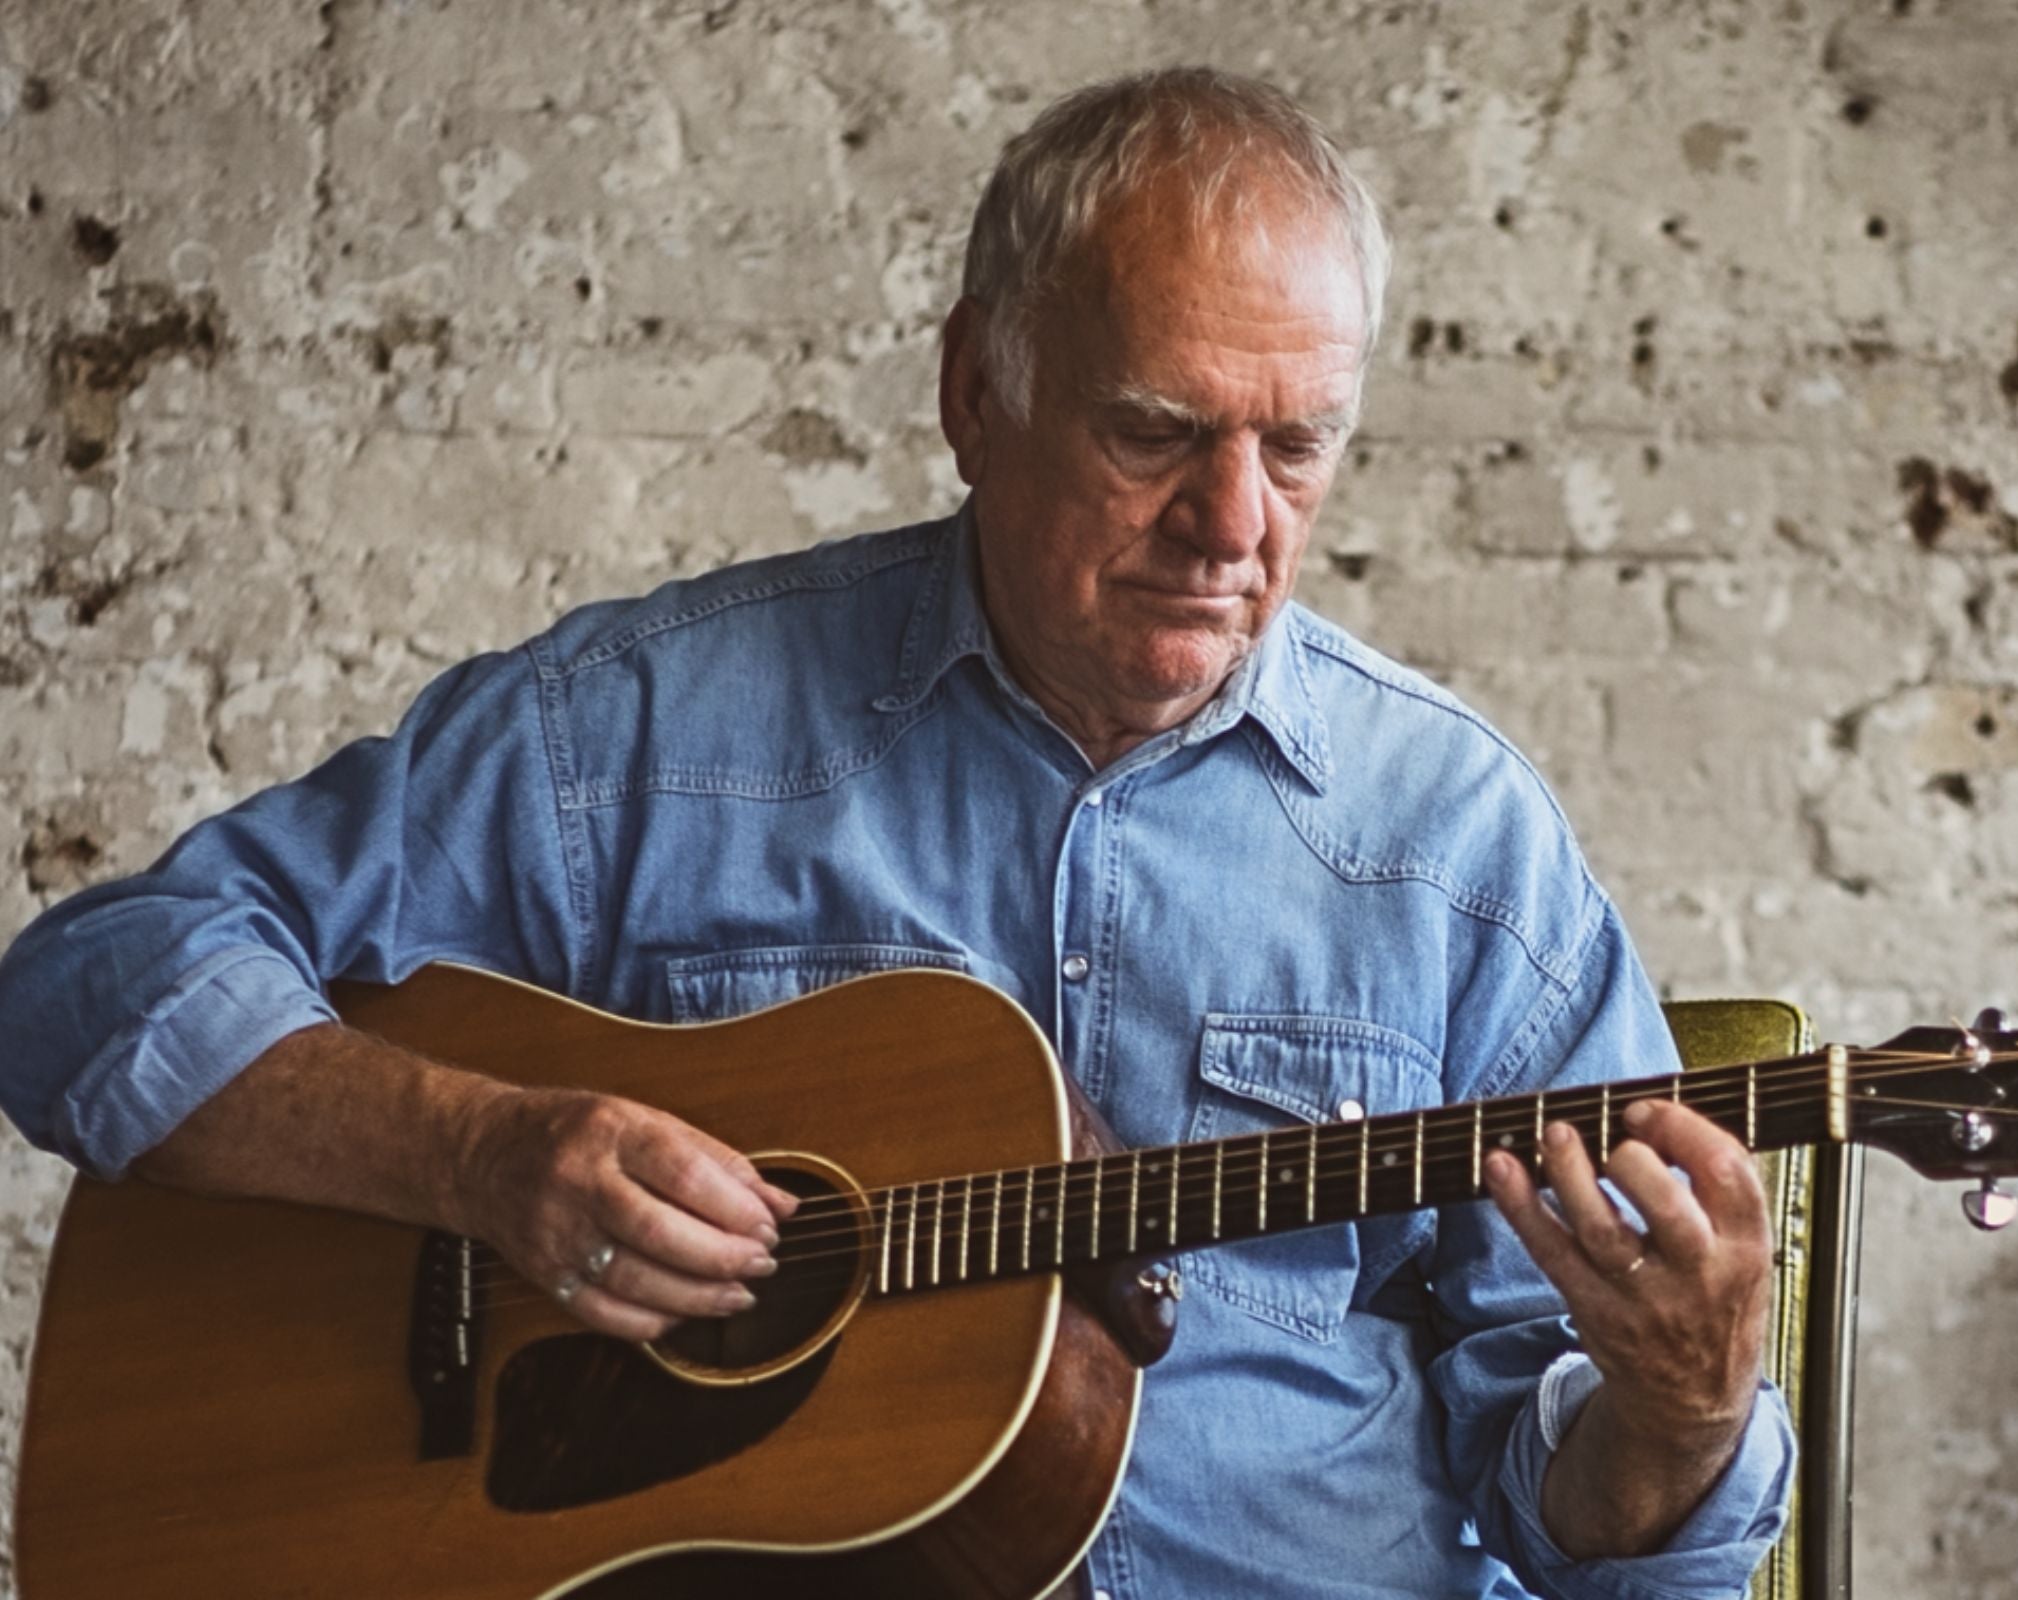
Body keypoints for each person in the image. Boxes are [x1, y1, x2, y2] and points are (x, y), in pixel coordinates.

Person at [0, 68, 1791, 1599]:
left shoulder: (1457, 841)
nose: (1232, 523)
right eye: (1155, 429)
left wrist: (1681, 1412)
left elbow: (1596, 1530)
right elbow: (85, 988)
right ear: (973, 396)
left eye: (1299, 446)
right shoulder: (643, 729)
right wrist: (476, 1155)